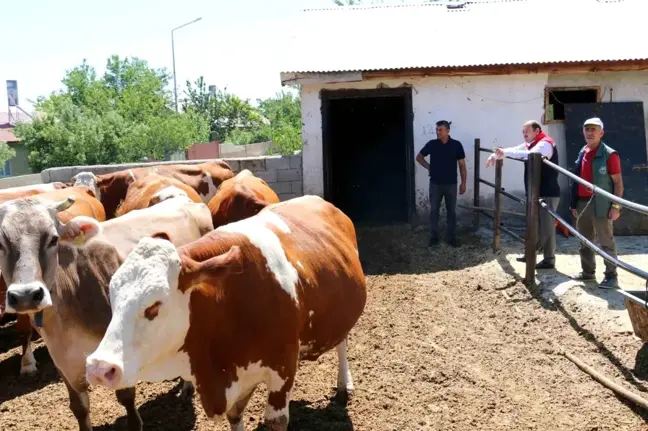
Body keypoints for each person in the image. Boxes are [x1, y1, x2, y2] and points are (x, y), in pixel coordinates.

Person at [485, 120, 560, 269]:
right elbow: (515, 150)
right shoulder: (531, 143)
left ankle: (549, 259)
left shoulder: (544, 144)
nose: (524, 134)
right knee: (533, 224)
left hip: (547, 192)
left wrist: (503, 153)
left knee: (546, 227)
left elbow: (530, 155)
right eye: (523, 131)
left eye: (527, 131)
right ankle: (530, 254)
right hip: (536, 191)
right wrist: (497, 154)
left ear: (537, 131)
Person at [569, 117, 623, 289]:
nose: (590, 133)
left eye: (594, 129)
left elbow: (618, 182)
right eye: (587, 129)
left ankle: (611, 276)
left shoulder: (609, 154)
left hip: (601, 203)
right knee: (584, 240)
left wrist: (616, 206)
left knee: (606, 240)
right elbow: (577, 179)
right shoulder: (582, 151)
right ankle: (588, 272)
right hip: (582, 203)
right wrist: (574, 204)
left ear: (602, 133)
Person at [416, 120, 467, 247]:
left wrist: (463, 183)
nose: (437, 132)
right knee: (434, 211)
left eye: (440, 130)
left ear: (448, 131)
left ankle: (451, 237)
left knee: (451, 212)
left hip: (451, 184)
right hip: (435, 183)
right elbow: (419, 157)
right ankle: (434, 237)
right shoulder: (432, 144)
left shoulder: (456, 145)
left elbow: (462, 165)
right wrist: (429, 167)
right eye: (437, 130)